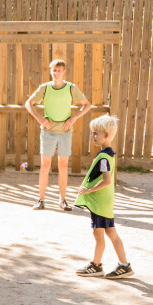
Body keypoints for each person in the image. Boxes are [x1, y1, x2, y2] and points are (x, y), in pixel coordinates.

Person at [24, 59, 92, 210]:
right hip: (48, 132)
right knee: (45, 166)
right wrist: (40, 119)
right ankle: (41, 200)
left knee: (63, 165)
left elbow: (87, 105)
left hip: (65, 133)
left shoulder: (70, 88)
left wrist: (73, 118)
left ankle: (62, 200)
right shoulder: (45, 88)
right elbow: (28, 103)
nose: (56, 73)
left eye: (59, 70)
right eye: (54, 70)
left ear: (64, 71)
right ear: (50, 71)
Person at [73, 115, 134, 279]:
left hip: (100, 202)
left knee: (100, 234)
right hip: (104, 202)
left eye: (96, 133)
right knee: (109, 232)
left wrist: (89, 190)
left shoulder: (104, 158)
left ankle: (97, 265)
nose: (92, 136)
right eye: (92, 133)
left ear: (106, 135)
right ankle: (123, 265)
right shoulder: (108, 154)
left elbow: (107, 180)